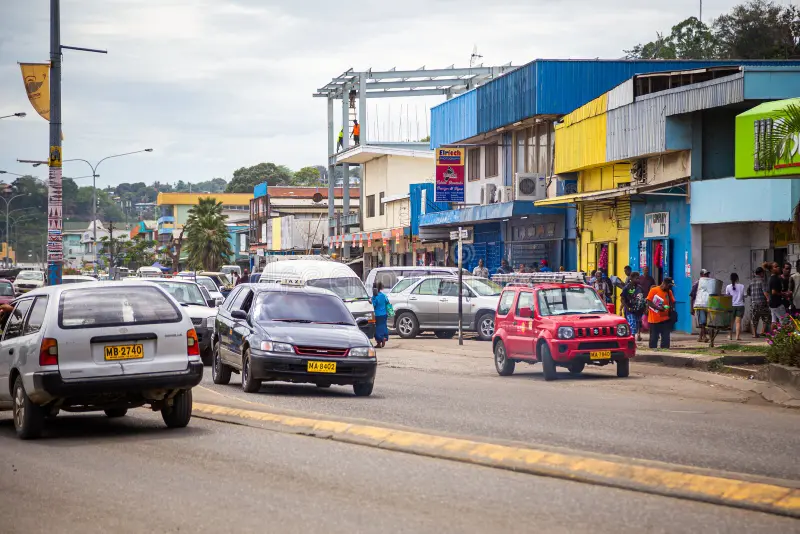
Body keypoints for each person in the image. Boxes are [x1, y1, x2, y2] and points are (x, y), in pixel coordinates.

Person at [647, 277, 676, 349]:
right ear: (664, 284)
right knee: (654, 338)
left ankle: (664, 350)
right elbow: (649, 302)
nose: (670, 288)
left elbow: (672, 302)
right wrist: (658, 308)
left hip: (665, 319)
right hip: (654, 319)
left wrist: (670, 308)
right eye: (669, 286)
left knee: (666, 338)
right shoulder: (654, 290)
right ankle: (653, 353)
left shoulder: (669, 292)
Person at [622, 271, 646, 342]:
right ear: (631, 278)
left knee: (637, 324)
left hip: (638, 311)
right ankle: (631, 341)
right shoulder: (627, 288)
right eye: (636, 278)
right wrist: (627, 308)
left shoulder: (640, 288)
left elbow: (642, 299)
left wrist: (644, 308)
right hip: (630, 311)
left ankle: (635, 337)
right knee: (632, 325)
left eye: (639, 278)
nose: (638, 280)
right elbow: (622, 299)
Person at [747, 267, 770, 338]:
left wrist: (754, 295)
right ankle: (763, 332)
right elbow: (765, 291)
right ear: (761, 273)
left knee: (754, 319)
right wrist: (768, 299)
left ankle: (754, 334)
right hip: (762, 302)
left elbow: (748, 292)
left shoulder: (751, 282)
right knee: (766, 317)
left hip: (754, 303)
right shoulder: (762, 281)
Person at [690, 269, 711, 343]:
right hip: (700, 305)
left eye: (708, 274)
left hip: (708, 305)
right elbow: (692, 296)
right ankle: (704, 337)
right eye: (705, 274)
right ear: (701, 275)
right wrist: (691, 308)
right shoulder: (697, 284)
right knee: (703, 322)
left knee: (706, 322)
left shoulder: (710, 283)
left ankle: (700, 337)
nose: (707, 276)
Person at [726, 273, 745, 341]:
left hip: (731, 306)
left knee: (730, 322)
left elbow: (727, 296)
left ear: (730, 279)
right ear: (737, 278)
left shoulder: (728, 287)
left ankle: (730, 336)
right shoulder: (742, 286)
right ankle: (737, 336)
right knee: (738, 322)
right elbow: (744, 295)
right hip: (740, 305)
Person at [768, 262, 788, 327]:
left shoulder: (772, 278)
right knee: (784, 321)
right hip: (777, 303)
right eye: (776, 267)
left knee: (774, 321)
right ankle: (784, 335)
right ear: (771, 269)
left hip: (772, 303)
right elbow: (774, 292)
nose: (778, 268)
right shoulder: (775, 279)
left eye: (778, 266)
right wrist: (783, 294)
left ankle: (773, 335)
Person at [372, 282, 390, 348]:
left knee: (376, 328)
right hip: (384, 314)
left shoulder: (375, 297)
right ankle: (384, 338)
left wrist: (371, 301)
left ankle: (380, 339)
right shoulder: (384, 295)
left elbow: (373, 305)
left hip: (377, 315)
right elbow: (387, 302)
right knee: (383, 327)